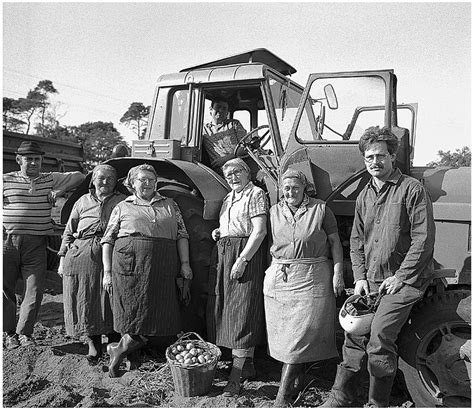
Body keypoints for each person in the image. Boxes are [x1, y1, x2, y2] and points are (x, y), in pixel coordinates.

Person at [320, 126, 435, 407]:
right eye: (369, 157)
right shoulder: (364, 197)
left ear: (393, 156)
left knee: (380, 335)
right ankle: (340, 397)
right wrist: (359, 277)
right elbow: (357, 241)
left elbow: (424, 239)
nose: (375, 162)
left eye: (381, 156)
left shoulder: (412, 190)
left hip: (406, 281)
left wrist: (401, 276)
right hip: (371, 281)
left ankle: (377, 403)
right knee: (353, 335)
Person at [101, 164, 192, 378]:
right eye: (142, 179)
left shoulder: (170, 204)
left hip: (163, 265)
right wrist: (106, 272)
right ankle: (127, 353)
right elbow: (108, 240)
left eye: (152, 179)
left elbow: (182, 235)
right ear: (132, 183)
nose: (148, 183)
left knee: (162, 313)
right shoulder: (122, 207)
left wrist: (185, 263)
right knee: (133, 311)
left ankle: (119, 349)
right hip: (130, 267)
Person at [265, 168, 345, 407]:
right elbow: (267, 241)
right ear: (281, 189)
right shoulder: (273, 212)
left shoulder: (321, 210)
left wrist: (338, 273)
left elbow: (335, 243)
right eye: (286, 188)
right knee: (287, 337)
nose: (291, 192)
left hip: (312, 277)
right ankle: (297, 382)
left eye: (295, 188)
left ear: (304, 189)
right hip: (281, 279)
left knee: (299, 336)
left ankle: (283, 396)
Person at [3, 140, 85, 349]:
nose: (32, 163)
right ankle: (8, 333)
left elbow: (80, 176)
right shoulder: (5, 179)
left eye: (37, 160)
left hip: (36, 244)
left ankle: (24, 334)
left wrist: (59, 191)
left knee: (35, 289)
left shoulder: (50, 179)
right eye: (28, 159)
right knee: (5, 289)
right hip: (7, 243)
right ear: (18, 160)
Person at [207, 158, 268, 396]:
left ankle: (235, 378)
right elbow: (233, 224)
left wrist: (242, 260)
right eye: (228, 174)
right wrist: (220, 231)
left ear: (247, 173)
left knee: (243, 309)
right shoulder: (228, 198)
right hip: (225, 252)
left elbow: (259, 231)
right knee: (227, 309)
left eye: (236, 172)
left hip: (244, 254)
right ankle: (247, 366)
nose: (232, 177)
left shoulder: (255, 194)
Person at [57, 164, 126, 361]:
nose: (105, 182)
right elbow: (69, 232)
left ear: (116, 182)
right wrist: (62, 259)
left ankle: (114, 342)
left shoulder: (123, 201)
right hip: (82, 254)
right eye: (101, 178)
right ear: (93, 180)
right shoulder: (82, 201)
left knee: (111, 297)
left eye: (110, 179)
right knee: (85, 297)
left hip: (112, 252)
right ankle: (93, 344)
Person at [202, 98, 248, 171]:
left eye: (224, 109)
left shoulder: (234, 124)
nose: (220, 110)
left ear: (227, 112)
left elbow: (245, 148)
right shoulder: (203, 129)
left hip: (239, 166)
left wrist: (225, 159)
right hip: (219, 171)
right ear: (211, 109)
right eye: (218, 107)